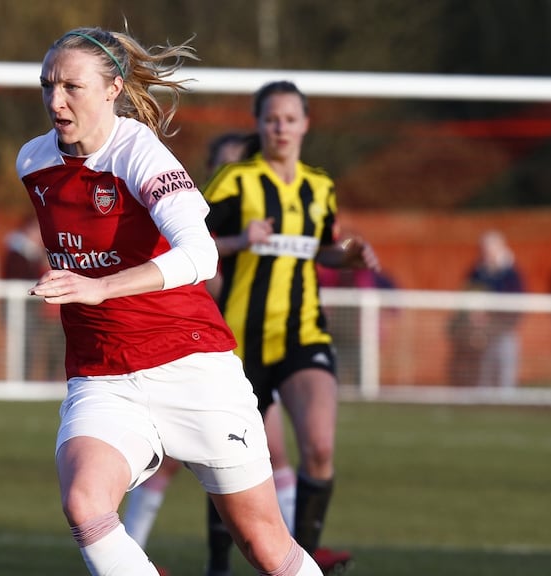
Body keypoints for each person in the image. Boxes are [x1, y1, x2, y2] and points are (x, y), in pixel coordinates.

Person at [18, 27, 322, 575]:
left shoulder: (140, 152)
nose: (55, 100)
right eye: (47, 85)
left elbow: (202, 256)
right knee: (85, 505)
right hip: (103, 373)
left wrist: (99, 286)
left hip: (192, 365)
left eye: (71, 86)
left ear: (112, 89)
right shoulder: (33, 163)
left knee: (264, 547)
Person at [204, 80, 381, 574]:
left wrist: (349, 255)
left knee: (320, 446)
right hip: (240, 342)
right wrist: (241, 239)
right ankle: (217, 564)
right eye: (271, 118)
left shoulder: (319, 187)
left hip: (303, 334)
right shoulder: (235, 181)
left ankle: (298, 563)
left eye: (289, 118)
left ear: (306, 123)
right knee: (228, 461)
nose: (280, 127)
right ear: (259, 124)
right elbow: (186, 242)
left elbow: (324, 248)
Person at [122, 132, 301, 568]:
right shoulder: (189, 210)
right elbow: (199, 259)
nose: (230, 172)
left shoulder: (269, 211)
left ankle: (292, 550)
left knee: (270, 454)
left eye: (237, 164)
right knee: (164, 460)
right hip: (194, 350)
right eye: (223, 163)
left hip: (243, 350)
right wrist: (240, 242)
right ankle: (132, 552)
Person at [1, 212, 63, 381]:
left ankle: (50, 380)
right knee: (26, 346)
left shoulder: (45, 251)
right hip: (32, 309)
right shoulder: (19, 252)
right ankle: (22, 380)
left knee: (53, 350)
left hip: (50, 311)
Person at [463, 230, 524, 388]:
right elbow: (469, 293)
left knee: (504, 371)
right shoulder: (477, 272)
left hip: (504, 330)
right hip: (481, 332)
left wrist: (497, 319)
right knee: (483, 373)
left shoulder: (511, 274)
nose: (485, 253)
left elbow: (516, 302)